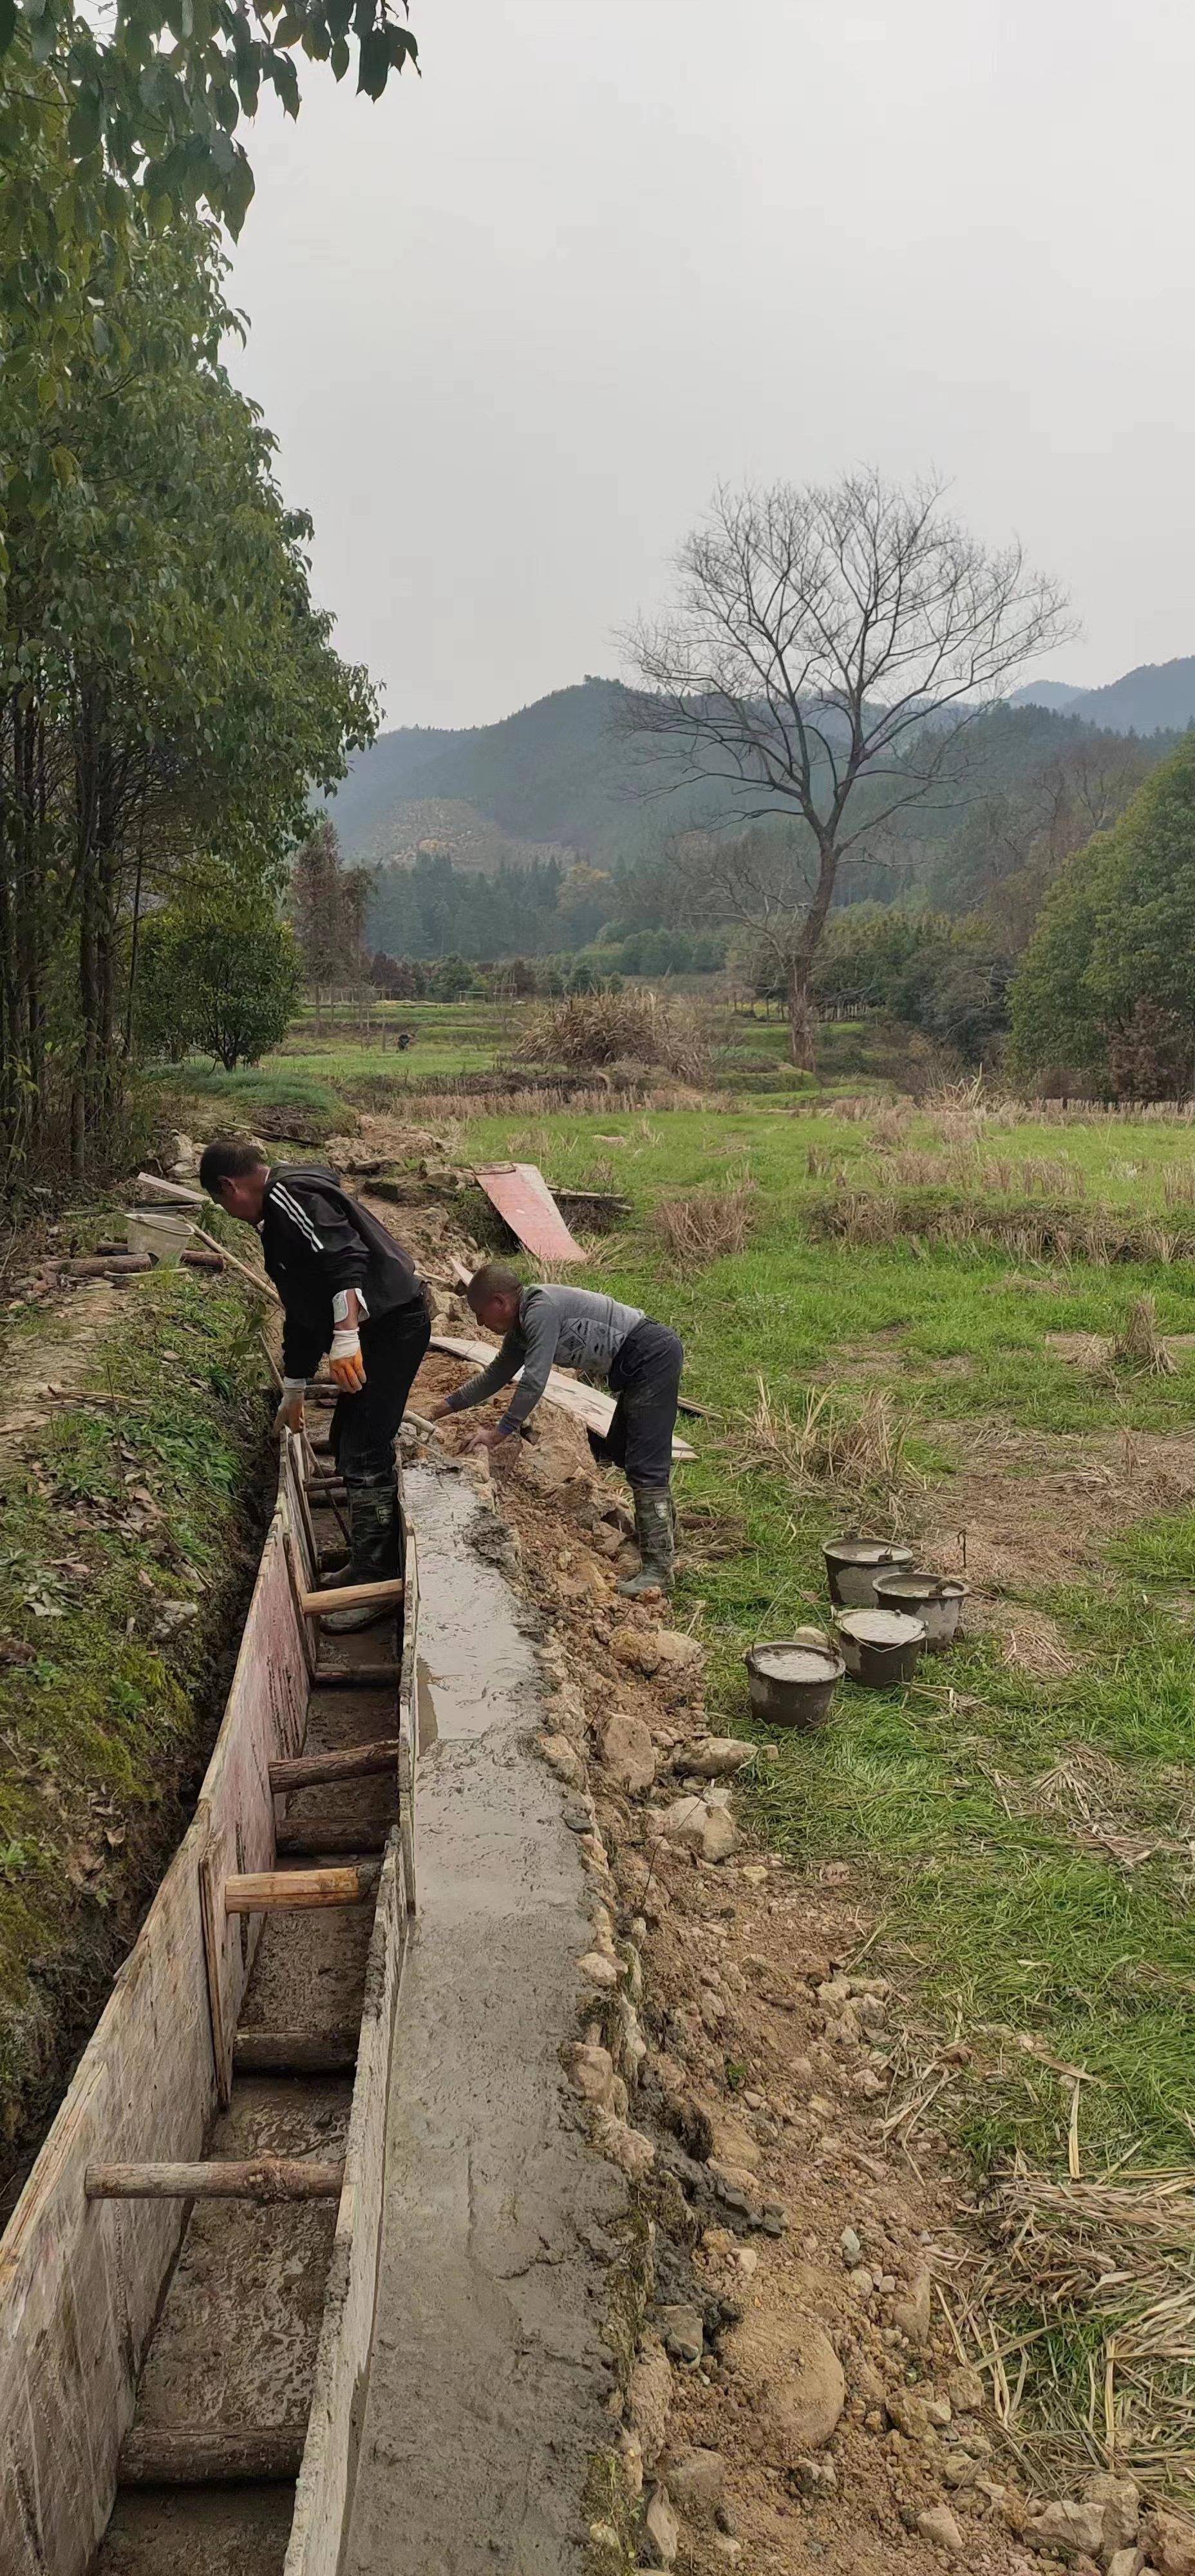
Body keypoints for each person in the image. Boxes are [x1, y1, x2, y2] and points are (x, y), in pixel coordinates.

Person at [198, 1139, 430, 1631]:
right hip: (378, 1328)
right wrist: (296, 1384)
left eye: (223, 1203)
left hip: (388, 1327)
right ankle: (370, 1554)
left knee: (366, 1445)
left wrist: (346, 1333)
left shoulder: (289, 1198)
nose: (230, 1212)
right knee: (348, 1438)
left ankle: (377, 1578)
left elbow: (345, 1259)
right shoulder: (279, 1216)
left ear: (229, 1186)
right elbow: (303, 1312)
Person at [426, 1262, 683, 1597]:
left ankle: (659, 1569)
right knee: (621, 1450)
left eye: (479, 1313)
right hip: (636, 1366)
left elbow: (534, 1381)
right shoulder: (520, 1328)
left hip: (651, 1354)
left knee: (646, 1466)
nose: (479, 1323)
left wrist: (500, 1432)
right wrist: (439, 1410)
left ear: (500, 1302)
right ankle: (668, 1535)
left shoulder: (540, 1310)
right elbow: (495, 1375)